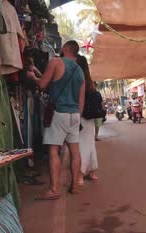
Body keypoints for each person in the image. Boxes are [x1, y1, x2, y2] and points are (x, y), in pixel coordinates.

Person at [28, 40, 85, 200]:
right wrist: (77, 117)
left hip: (59, 113)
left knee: (53, 150)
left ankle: (54, 189)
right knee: (75, 151)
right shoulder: (80, 71)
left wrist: (33, 77)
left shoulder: (56, 62)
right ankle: (74, 186)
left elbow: (44, 83)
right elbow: (81, 99)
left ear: (65, 49)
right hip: (74, 114)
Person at [76, 54, 98, 184]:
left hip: (81, 116)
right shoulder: (89, 81)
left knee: (82, 146)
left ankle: (80, 173)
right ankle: (92, 171)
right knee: (90, 144)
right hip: (89, 118)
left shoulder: (79, 80)